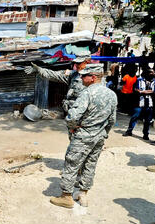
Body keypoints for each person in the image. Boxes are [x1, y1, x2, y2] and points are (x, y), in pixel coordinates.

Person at [50, 64, 117, 208]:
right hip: (99, 137)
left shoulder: (87, 94)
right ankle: (83, 194)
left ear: (93, 78)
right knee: (90, 165)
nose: (81, 77)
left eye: (84, 75)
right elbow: (112, 120)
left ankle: (66, 197)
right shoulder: (112, 94)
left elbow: (72, 117)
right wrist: (104, 133)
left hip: (83, 136)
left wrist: (73, 128)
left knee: (71, 164)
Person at [24, 56, 91, 114]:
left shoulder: (95, 77)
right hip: (72, 114)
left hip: (86, 115)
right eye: (76, 63)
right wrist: (39, 69)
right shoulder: (73, 75)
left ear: (87, 62)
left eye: (79, 63)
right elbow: (54, 75)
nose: (76, 65)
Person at [122, 69, 155, 141]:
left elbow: (154, 91)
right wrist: (144, 92)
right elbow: (135, 90)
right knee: (135, 116)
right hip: (139, 102)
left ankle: (146, 134)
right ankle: (129, 131)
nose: (153, 73)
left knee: (148, 120)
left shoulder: (154, 81)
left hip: (150, 103)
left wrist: (142, 91)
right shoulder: (139, 80)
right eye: (151, 72)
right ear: (147, 73)